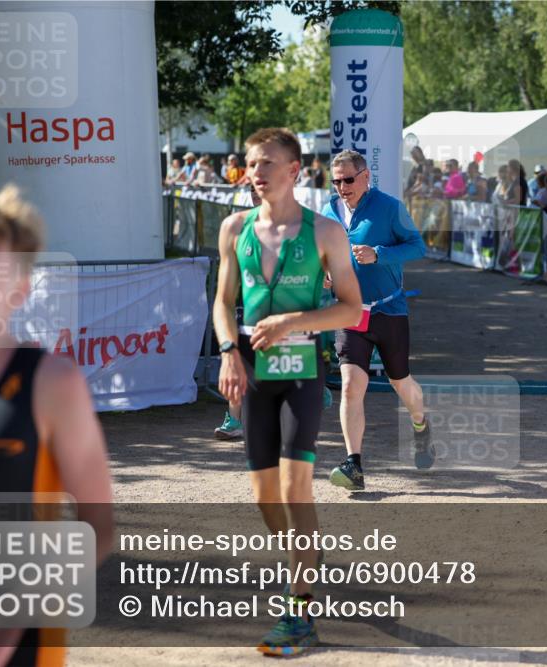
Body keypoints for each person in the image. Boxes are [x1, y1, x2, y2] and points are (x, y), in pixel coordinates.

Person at [0, 181, 113, 667]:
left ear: (17, 291)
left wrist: (4, 622)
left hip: (11, 643)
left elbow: (99, 528)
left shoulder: (51, 383)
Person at [213, 128, 362, 656]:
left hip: (301, 367)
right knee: (265, 498)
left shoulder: (325, 232)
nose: (256, 172)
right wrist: (229, 351)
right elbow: (221, 301)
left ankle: (299, 610)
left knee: (297, 489)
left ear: (295, 170)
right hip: (252, 370)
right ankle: (305, 556)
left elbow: (350, 308)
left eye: (268, 163)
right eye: (251, 164)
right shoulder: (234, 228)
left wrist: (293, 319)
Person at [320, 149, 431, 492]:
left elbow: (418, 247)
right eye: (336, 181)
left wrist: (379, 254)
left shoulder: (389, 207)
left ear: (366, 177)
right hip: (350, 310)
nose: (342, 187)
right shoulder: (329, 211)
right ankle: (354, 464)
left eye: (348, 179)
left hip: (389, 309)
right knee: (352, 386)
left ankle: (421, 424)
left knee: (402, 383)